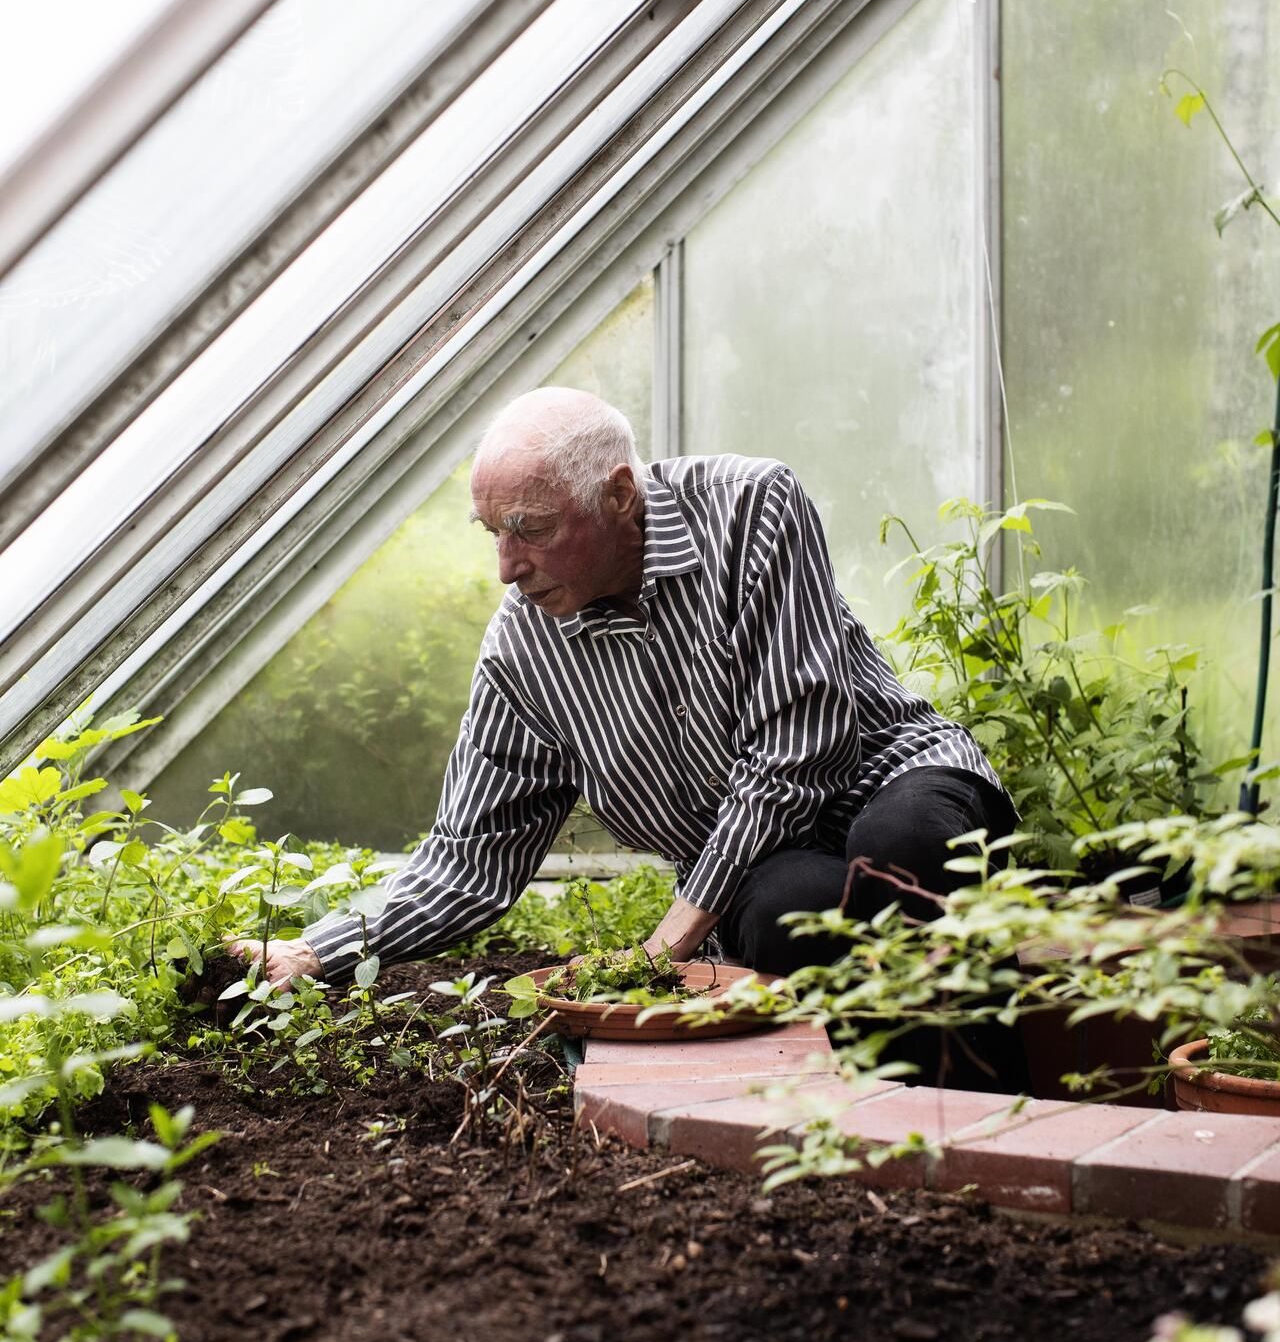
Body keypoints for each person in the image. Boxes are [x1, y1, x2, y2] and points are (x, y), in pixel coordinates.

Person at [234, 387, 1022, 1086]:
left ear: (618, 496)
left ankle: (991, 1101)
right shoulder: (524, 653)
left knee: (901, 842)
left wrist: (671, 938)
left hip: (890, 778)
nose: (508, 567)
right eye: (491, 534)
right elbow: (468, 858)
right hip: (762, 862)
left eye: (531, 530)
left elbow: (803, 745)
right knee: (791, 910)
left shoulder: (751, 508)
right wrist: (311, 953)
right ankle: (902, 1122)